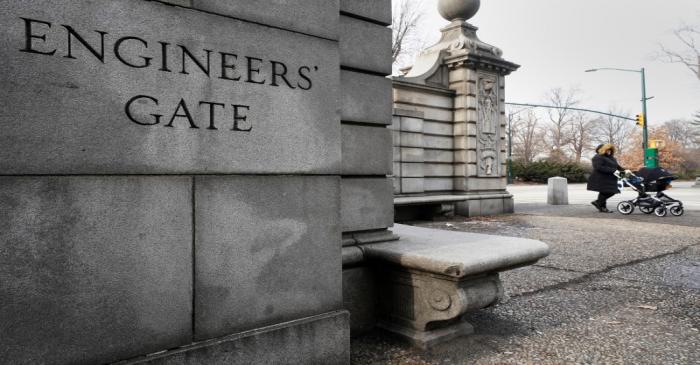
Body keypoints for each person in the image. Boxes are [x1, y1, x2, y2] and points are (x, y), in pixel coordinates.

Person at [587, 144, 629, 213]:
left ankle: (599, 204)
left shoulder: (611, 158)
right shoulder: (597, 157)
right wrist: (613, 170)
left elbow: (617, 167)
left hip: (609, 178)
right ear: (602, 150)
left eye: (610, 149)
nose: (609, 151)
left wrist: (625, 171)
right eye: (607, 149)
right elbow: (599, 167)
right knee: (607, 192)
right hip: (601, 178)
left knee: (606, 192)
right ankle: (601, 206)